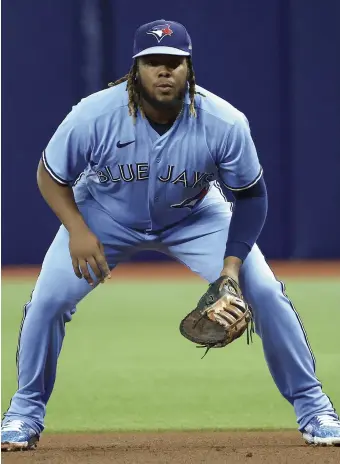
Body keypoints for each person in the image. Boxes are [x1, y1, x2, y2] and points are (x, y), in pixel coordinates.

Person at [2, 19, 339, 451]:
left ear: (189, 69)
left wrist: (231, 268)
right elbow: (50, 176)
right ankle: (23, 414)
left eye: (175, 62)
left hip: (194, 216)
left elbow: (252, 198)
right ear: (135, 70)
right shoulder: (93, 115)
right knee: (47, 302)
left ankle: (315, 409)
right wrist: (77, 229)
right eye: (154, 62)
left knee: (267, 294)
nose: (165, 71)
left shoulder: (224, 121)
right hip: (102, 213)